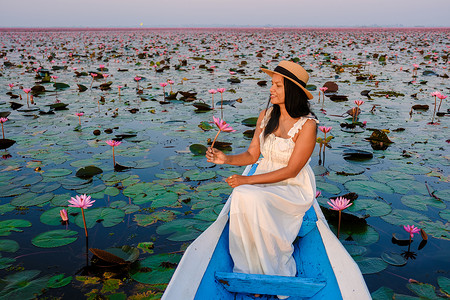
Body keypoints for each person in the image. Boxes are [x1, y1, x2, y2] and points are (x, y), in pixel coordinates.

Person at [206, 61, 318, 299]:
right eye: (272, 84)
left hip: (292, 185)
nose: (271, 89)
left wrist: (247, 181)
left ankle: (273, 269)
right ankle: (249, 270)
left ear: (292, 90)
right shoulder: (266, 116)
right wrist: (225, 159)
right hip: (264, 176)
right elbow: (252, 155)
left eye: (277, 85)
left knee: (248, 194)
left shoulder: (307, 126)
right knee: (243, 195)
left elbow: (291, 170)